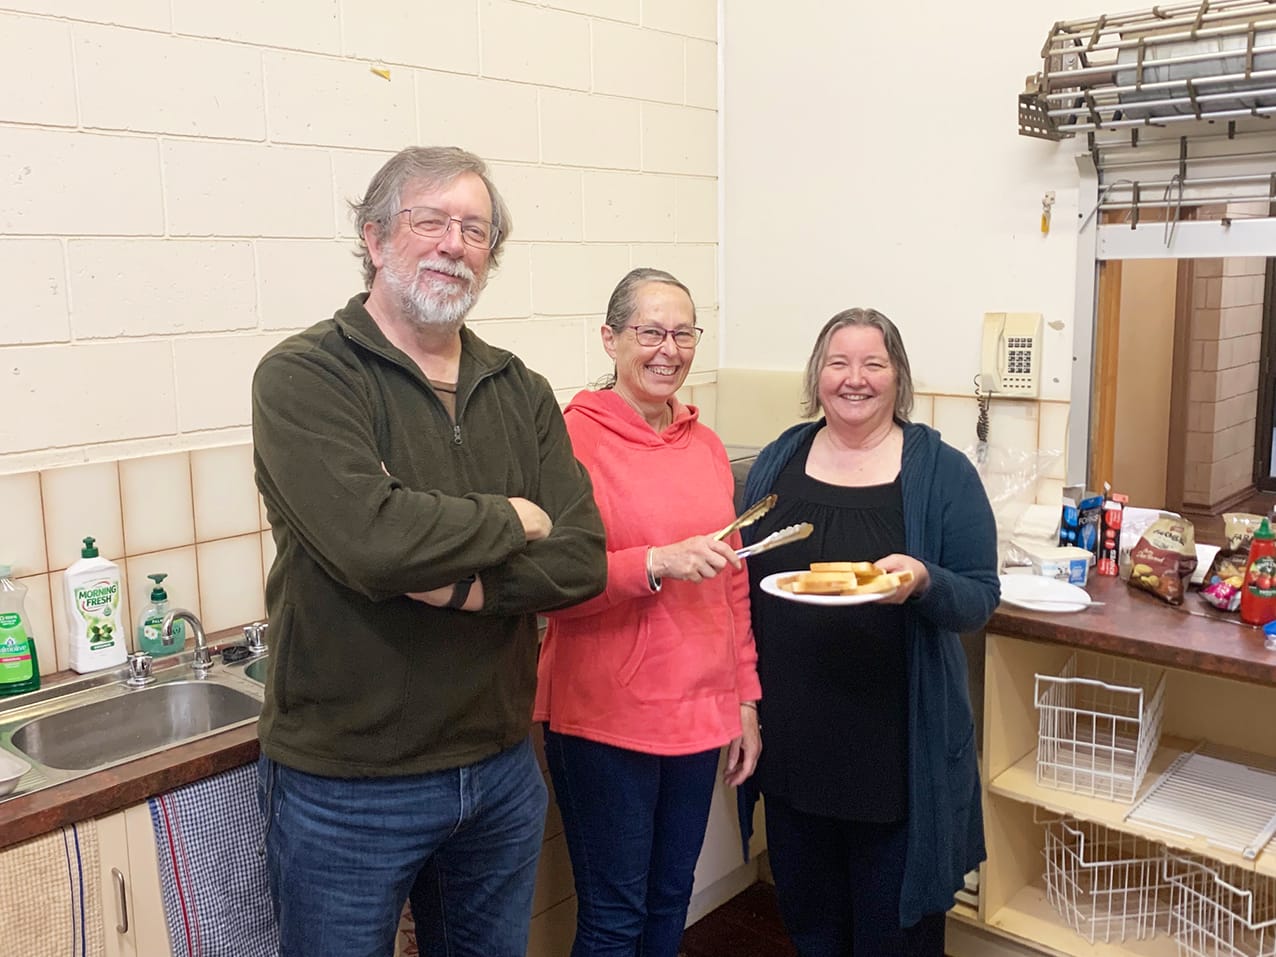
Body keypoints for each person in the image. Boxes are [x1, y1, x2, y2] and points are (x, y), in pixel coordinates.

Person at [250, 146, 607, 957]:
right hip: (347, 783)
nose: (454, 243)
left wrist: (455, 586)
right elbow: (371, 541)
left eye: (475, 229)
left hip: (499, 767)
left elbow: (583, 555)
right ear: (376, 239)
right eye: (431, 221)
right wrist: (517, 517)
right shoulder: (306, 376)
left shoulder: (519, 388)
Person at [738, 308, 999, 957]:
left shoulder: (940, 472)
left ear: (898, 377)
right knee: (813, 932)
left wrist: (926, 579)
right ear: (818, 375)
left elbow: (980, 598)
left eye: (873, 363)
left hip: (898, 765)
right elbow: (740, 588)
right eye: (838, 362)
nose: (854, 378)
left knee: (896, 941)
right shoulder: (779, 458)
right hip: (795, 756)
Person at [534, 267, 762, 957]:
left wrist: (744, 699)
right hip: (606, 717)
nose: (669, 348)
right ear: (610, 338)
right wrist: (654, 564)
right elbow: (548, 583)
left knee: (671, 900)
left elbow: (732, 583)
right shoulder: (571, 440)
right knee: (614, 916)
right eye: (650, 332)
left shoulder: (705, 444)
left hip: (696, 713)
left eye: (683, 332)